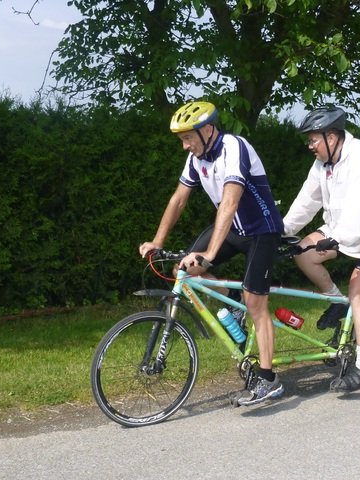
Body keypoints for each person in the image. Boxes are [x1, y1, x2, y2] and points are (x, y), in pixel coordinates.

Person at [139, 101, 285, 406]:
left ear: (207, 130)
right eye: (182, 140)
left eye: (188, 138)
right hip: (233, 230)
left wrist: (208, 253)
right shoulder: (197, 158)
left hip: (262, 231)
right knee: (185, 269)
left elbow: (230, 204)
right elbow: (179, 198)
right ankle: (235, 308)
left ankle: (269, 379)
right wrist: (156, 240)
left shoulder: (233, 148)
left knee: (256, 302)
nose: (185, 146)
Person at [282, 106, 360, 392]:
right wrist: (283, 230)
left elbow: (359, 213)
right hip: (339, 230)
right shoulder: (322, 164)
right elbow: (307, 201)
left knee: (359, 293)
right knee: (303, 253)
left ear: (333, 136)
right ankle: (336, 302)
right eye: (309, 140)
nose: (309, 145)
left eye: (313, 140)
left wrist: (337, 239)